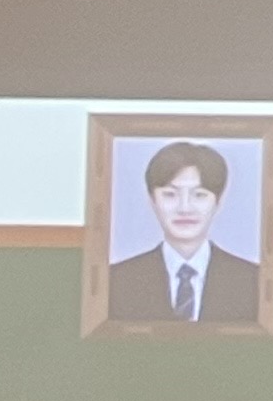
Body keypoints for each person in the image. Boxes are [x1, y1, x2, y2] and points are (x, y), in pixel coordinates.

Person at [105, 139, 261, 326]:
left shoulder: (254, 281)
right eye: (170, 194)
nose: (185, 208)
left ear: (218, 201)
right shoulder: (117, 281)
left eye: (199, 195)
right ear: (152, 200)